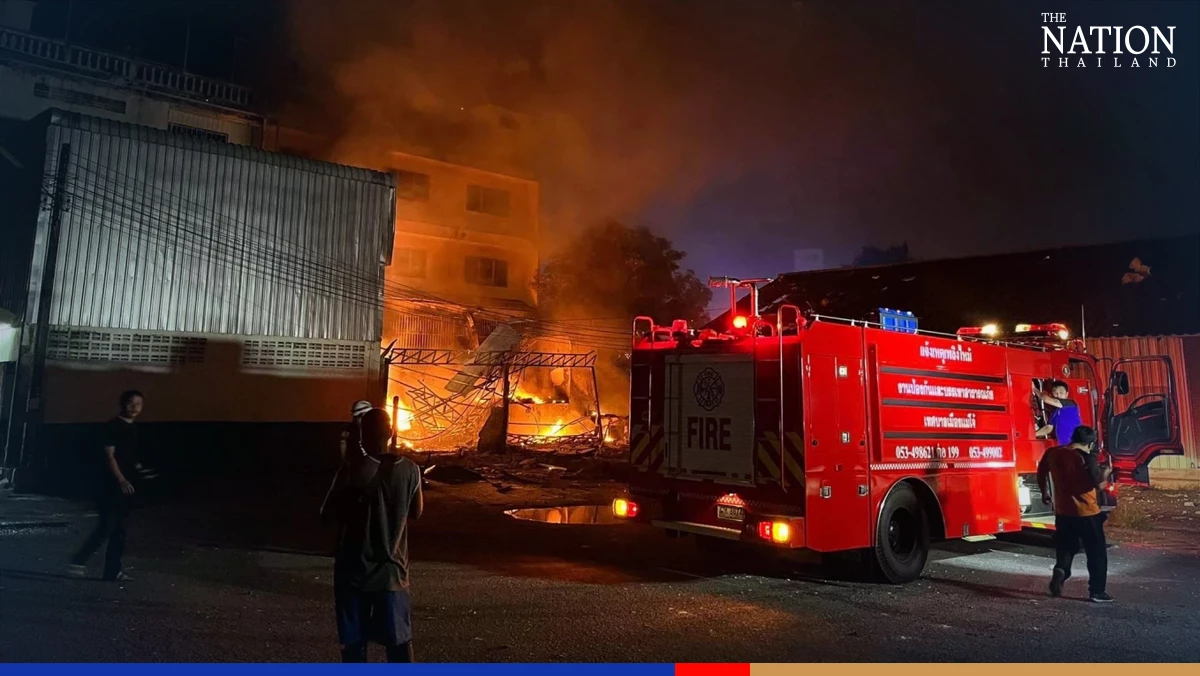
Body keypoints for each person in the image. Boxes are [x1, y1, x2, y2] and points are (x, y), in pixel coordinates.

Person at [321, 407, 423, 662]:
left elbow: (326, 514)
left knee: (354, 646)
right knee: (399, 645)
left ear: (362, 435)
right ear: (390, 432)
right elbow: (416, 512)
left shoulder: (352, 470)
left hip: (353, 573)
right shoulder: (411, 470)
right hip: (392, 575)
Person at [69, 389, 144, 581]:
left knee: (119, 530)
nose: (135, 407)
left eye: (139, 404)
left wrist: (138, 468)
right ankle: (79, 559)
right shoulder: (112, 427)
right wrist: (120, 479)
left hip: (126, 487)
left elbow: (127, 456)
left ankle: (112, 571)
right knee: (107, 526)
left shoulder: (133, 428)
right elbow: (109, 456)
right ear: (123, 404)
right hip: (110, 486)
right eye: (131, 403)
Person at [1037, 425, 1113, 603]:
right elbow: (1098, 485)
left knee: (1065, 548)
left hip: (1063, 512)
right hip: (1087, 513)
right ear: (1091, 443)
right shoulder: (1087, 458)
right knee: (1097, 554)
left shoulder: (1053, 453)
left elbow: (1041, 472)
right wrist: (1107, 473)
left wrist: (1045, 492)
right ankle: (1097, 591)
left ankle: (1061, 571)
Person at [1035, 379, 1083, 445]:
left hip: (1075, 443)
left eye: (1061, 392)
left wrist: (1034, 389)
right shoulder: (1054, 412)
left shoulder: (1070, 403)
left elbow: (1045, 399)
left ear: (1066, 394)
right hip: (1064, 444)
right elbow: (1048, 428)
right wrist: (1034, 434)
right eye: (1055, 392)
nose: (1058, 395)